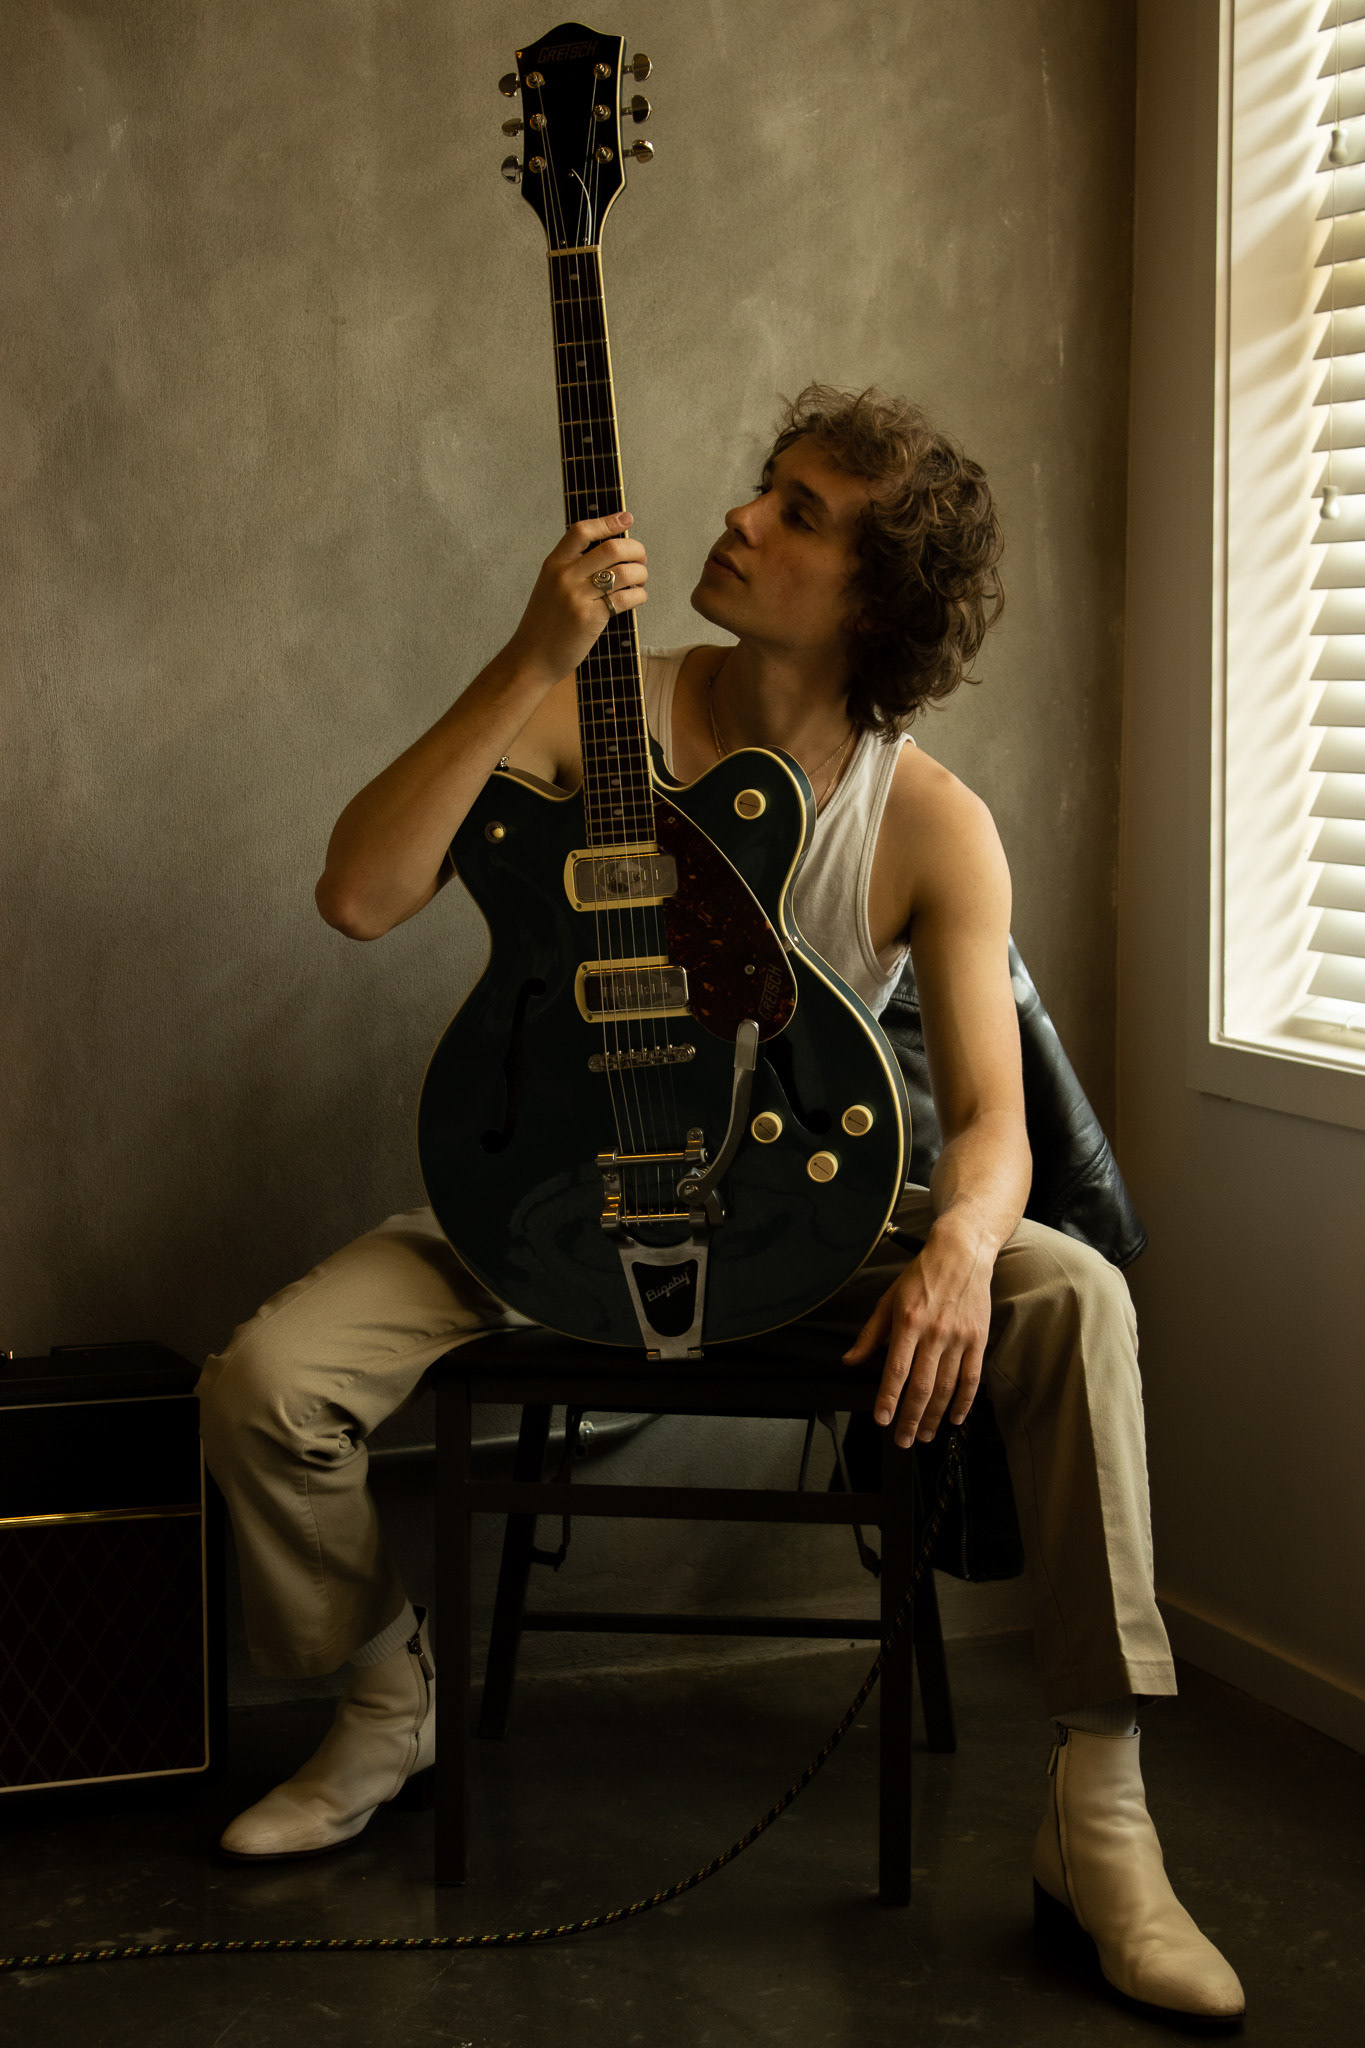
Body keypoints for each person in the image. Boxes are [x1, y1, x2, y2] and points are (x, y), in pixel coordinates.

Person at [198, 386, 1243, 2021]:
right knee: (264, 1385)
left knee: (1074, 1294)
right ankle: (386, 1699)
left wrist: (962, 1244)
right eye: (767, 487)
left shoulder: (927, 822)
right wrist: (528, 656)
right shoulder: (594, 713)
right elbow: (357, 893)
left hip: (811, 1234)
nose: (742, 519)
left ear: (875, 602)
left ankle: (1097, 1818)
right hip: (549, 1203)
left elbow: (990, 1122)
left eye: (799, 515)